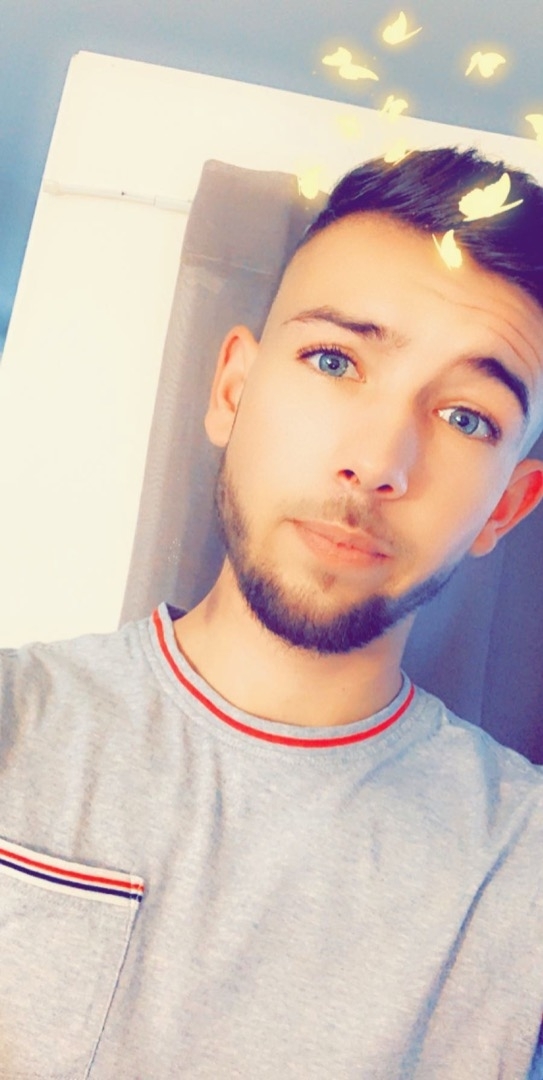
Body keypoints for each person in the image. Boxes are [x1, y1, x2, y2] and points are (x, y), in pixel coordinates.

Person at [1, 146, 543, 1079]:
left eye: (465, 418)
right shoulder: (16, 722)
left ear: (505, 507)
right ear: (232, 392)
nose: (378, 461)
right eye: (335, 360)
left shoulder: (519, 864)